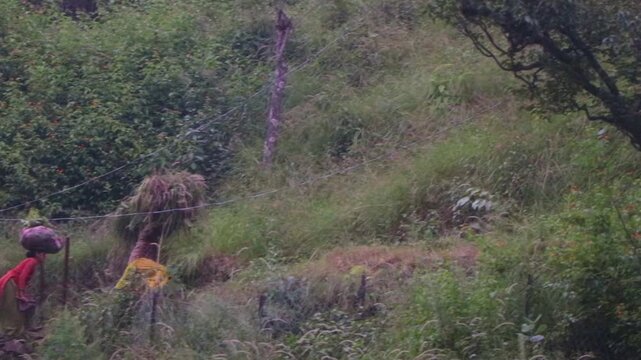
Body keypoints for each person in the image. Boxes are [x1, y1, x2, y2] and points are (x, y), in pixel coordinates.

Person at [0, 251, 46, 337]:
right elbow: (22, 276)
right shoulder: (32, 261)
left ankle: (17, 331)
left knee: (17, 308)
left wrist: (23, 292)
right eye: (43, 254)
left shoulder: (32, 261)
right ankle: (11, 333)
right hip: (10, 282)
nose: (45, 257)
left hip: (13, 283)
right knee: (12, 308)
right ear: (37, 254)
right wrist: (21, 292)